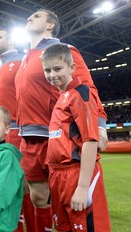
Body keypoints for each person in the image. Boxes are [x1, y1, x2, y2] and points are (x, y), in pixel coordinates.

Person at [14, 9, 108, 231]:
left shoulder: (63, 51)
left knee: (69, 201)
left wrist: (100, 125)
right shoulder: (26, 57)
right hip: (28, 137)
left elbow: (87, 88)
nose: (29, 17)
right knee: (38, 197)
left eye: (36, 16)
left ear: (50, 25)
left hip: (57, 137)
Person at [42, 43, 111, 232]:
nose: (52, 74)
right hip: (58, 176)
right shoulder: (62, 97)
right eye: (47, 70)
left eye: (57, 69)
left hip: (76, 173)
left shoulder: (80, 93)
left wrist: (82, 187)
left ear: (72, 67)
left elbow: (90, 140)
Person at [0, 29, 35, 232]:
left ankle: (33, 226)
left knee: (25, 186)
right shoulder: (0, 68)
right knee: (7, 185)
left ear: (11, 40)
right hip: (3, 134)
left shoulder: (21, 62)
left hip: (18, 131)